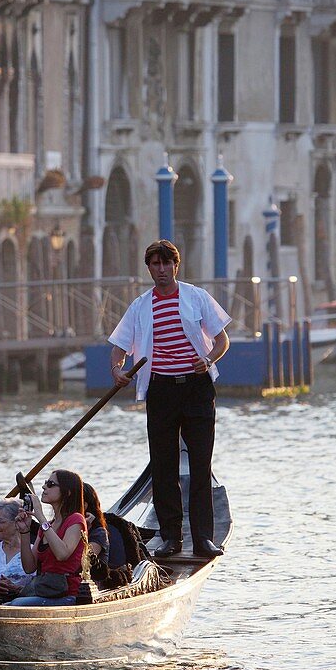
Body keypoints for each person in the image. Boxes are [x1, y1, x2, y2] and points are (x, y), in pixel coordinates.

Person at [108, 239, 231, 561]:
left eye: (166, 264)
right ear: (149, 268)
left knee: (201, 463)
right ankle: (170, 538)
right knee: (164, 467)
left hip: (197, 388)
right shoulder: (140, 306)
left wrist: (209, 359)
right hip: (161, 391)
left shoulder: (196, 297)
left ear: (176, 266)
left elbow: (221, 340)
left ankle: (203, 538)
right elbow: (119, 345)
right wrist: (117, 370)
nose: (161, 270)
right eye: (155, 265)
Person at [7, 468, 87, 606]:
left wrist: (40, 516)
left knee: (15, 605)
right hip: (45, 591)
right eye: (45, 482)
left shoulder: (76, 520)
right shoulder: (47, 526)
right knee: (7, 604)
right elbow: (29, 567)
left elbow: (62, 554)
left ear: (67, 492)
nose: (44, 486)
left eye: (50, 484)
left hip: (67, 594)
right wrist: (24, 532)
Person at [0, 498, 35, 604]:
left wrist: (17, 589)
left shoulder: (33, 552)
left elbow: (40, 586)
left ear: (17, 522)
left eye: (0, 522)